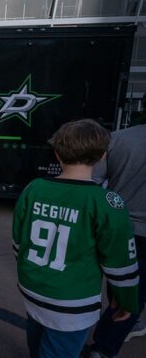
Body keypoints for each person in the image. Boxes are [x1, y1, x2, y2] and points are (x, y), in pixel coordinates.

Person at [12, 119, 139, 358]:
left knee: (36, 343)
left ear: (57, 153)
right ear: (102, 156)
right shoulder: (106, 202)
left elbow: (19, 242)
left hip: (33, 289)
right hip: (72, 303)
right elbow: (120, 262)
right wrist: (127, 300)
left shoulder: (34, 188)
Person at [85, 118, 146, 357]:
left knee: (122, 288)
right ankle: (104, 347)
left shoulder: (118, 138)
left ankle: (119, 333)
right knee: (134, 295)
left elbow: (93, 182)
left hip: (119, 227)